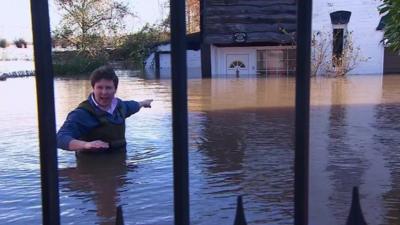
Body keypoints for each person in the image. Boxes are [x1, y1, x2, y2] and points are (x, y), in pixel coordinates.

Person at [57, 65, 153, 153]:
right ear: (93, 88)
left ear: (115, 89)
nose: (104, 92)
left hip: (120, 166)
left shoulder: (121, 107)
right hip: (92, 168)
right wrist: (86, 145)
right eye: (99, 87)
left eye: (108, 88)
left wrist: (144, 103)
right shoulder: (81, 114)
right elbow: (59, 139)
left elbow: (134, 106)